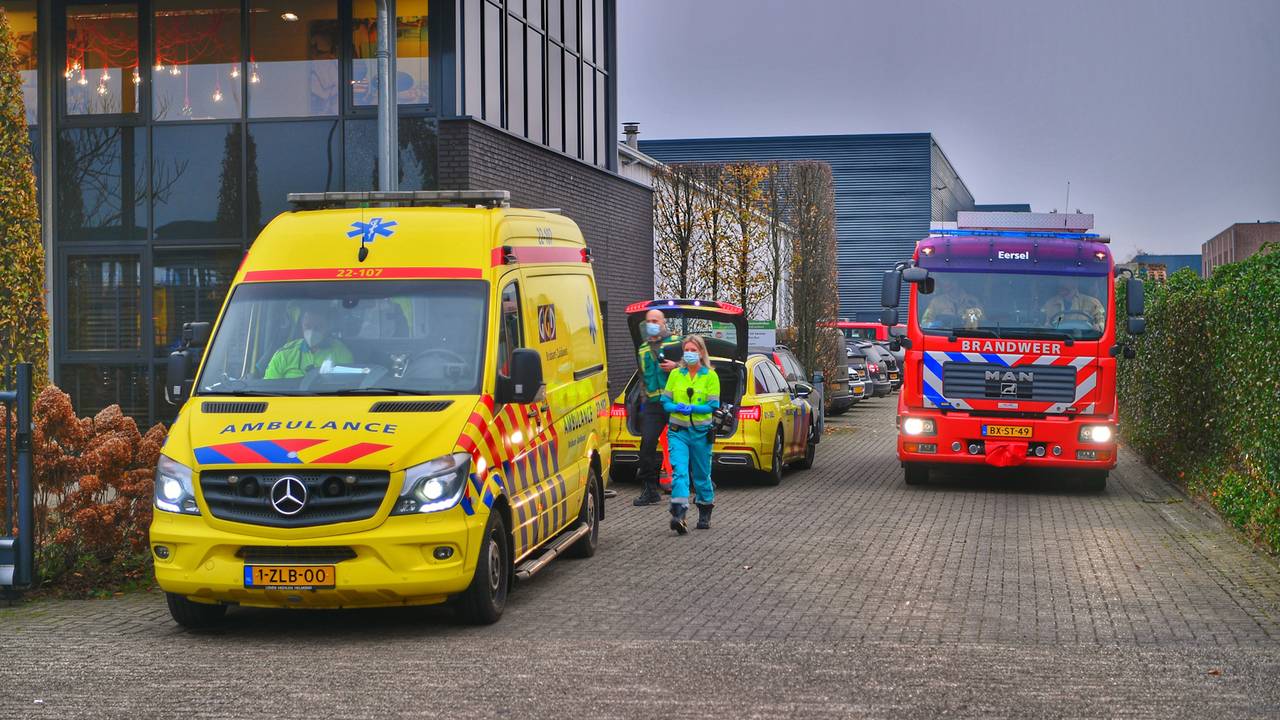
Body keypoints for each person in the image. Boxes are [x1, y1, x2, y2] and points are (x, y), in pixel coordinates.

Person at [660, 334, 721, 533]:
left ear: (701, 353)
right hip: (678, 432)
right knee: (679, 473)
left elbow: (713, 405)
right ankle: (679, 513)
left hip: (701, 434)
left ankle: (704, 510)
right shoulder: (676, 374)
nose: (690, 354)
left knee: (702, 475)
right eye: (687, 350)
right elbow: (665, 402)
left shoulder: (710, 376)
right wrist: (676, 406)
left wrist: (692, 408)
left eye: (694, 350)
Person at [633, 310, 682, 506]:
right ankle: (649, 490)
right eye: (649, 321)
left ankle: (697, 485)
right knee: (647, 446)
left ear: (663, 323)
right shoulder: (643, 348)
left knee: (683, 443)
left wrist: (677, 365)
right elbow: (643, 377)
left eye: (655, 321)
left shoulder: (677, 342)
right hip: (653, 404)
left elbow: (697, 365)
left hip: (674, 401)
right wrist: (643, 401)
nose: (652, 324)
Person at [264, 308, 354, 379]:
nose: (312, 332)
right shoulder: (284, 354)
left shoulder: (341, 352)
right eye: (307, 326)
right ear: (301, 325)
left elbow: (349, 386)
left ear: (327, 328)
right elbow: (267, 388)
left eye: (318, 327)